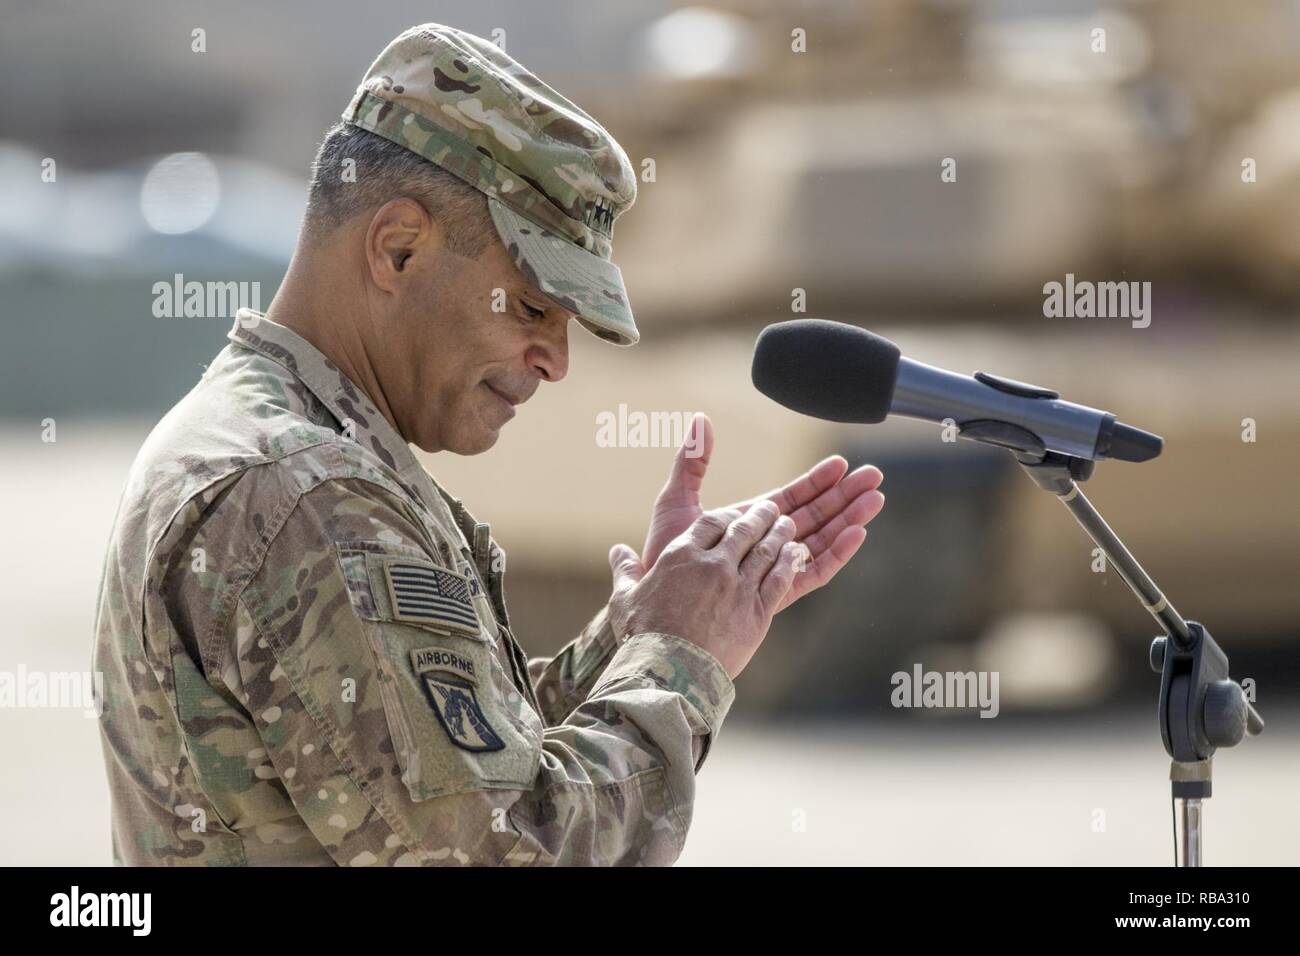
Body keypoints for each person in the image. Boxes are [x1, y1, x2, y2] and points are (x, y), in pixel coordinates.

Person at [92, 23, 885, 866]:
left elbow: (458, 772)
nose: (555, 361)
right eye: (534, 308)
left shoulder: (281, 448)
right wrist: (679, 660)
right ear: (398, 248)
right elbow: (510, 851)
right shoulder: (305, 495)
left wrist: (638, 631)